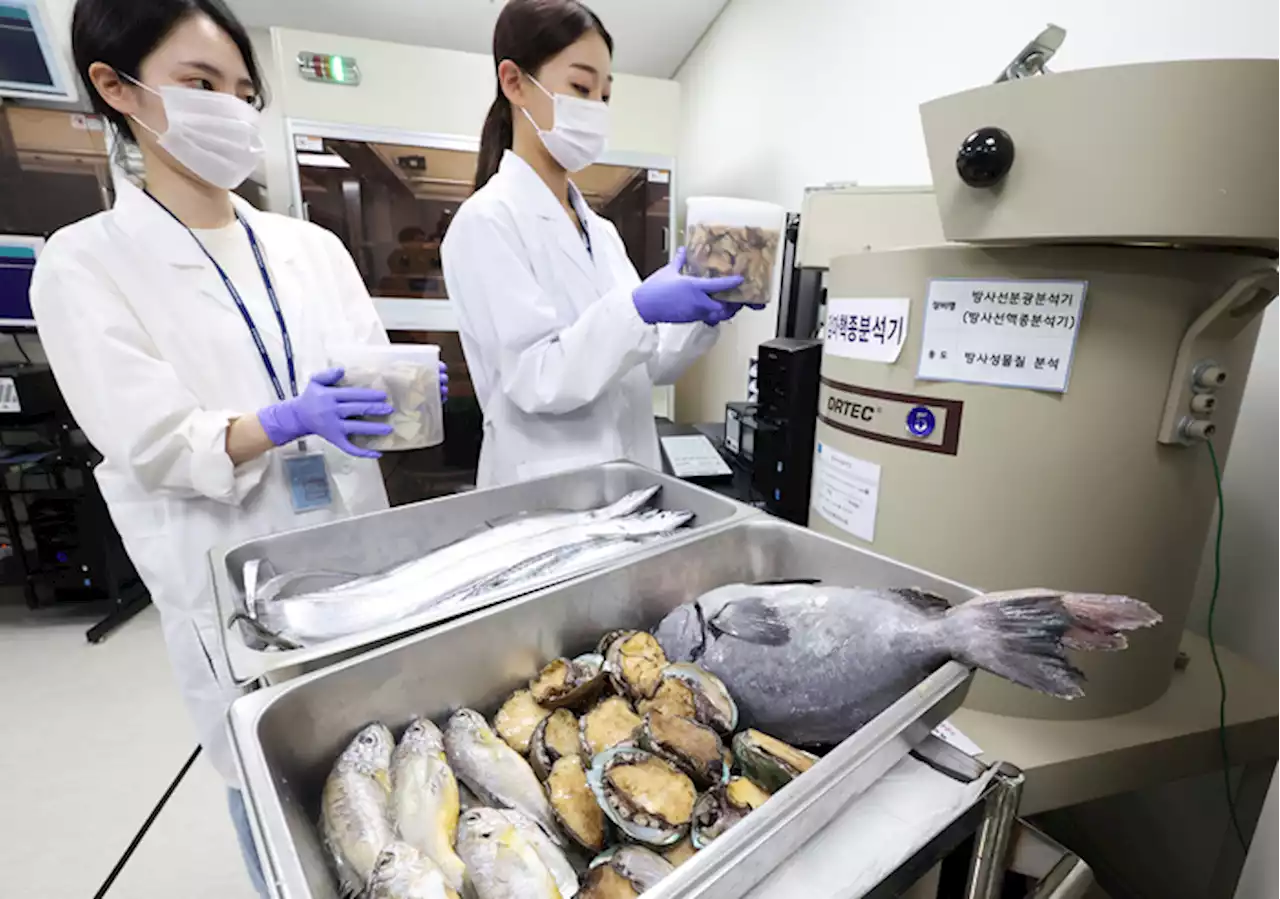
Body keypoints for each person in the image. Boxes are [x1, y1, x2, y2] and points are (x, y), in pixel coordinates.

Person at [31, 1, 444, 892]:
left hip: (352, 548)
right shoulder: (83, 262)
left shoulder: (311, 248)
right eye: (201, 84)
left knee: (373, 749)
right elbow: (150, 438)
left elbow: (367, 373)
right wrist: (283, 421)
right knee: (270, 775)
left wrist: (401, 401)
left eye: (244, 91)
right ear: (116, 88)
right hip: (226, 571)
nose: (231, 108)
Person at [442, 0, 759, 488]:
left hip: (628, 484)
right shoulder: (486, 222)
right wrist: (638, 309)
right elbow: (537, 378)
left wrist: (700, 314)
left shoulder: (600, 232)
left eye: (604, 96)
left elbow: (646, 365)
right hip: (546, 497)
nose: (594, 108)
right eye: (580, 87)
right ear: (514, 82)